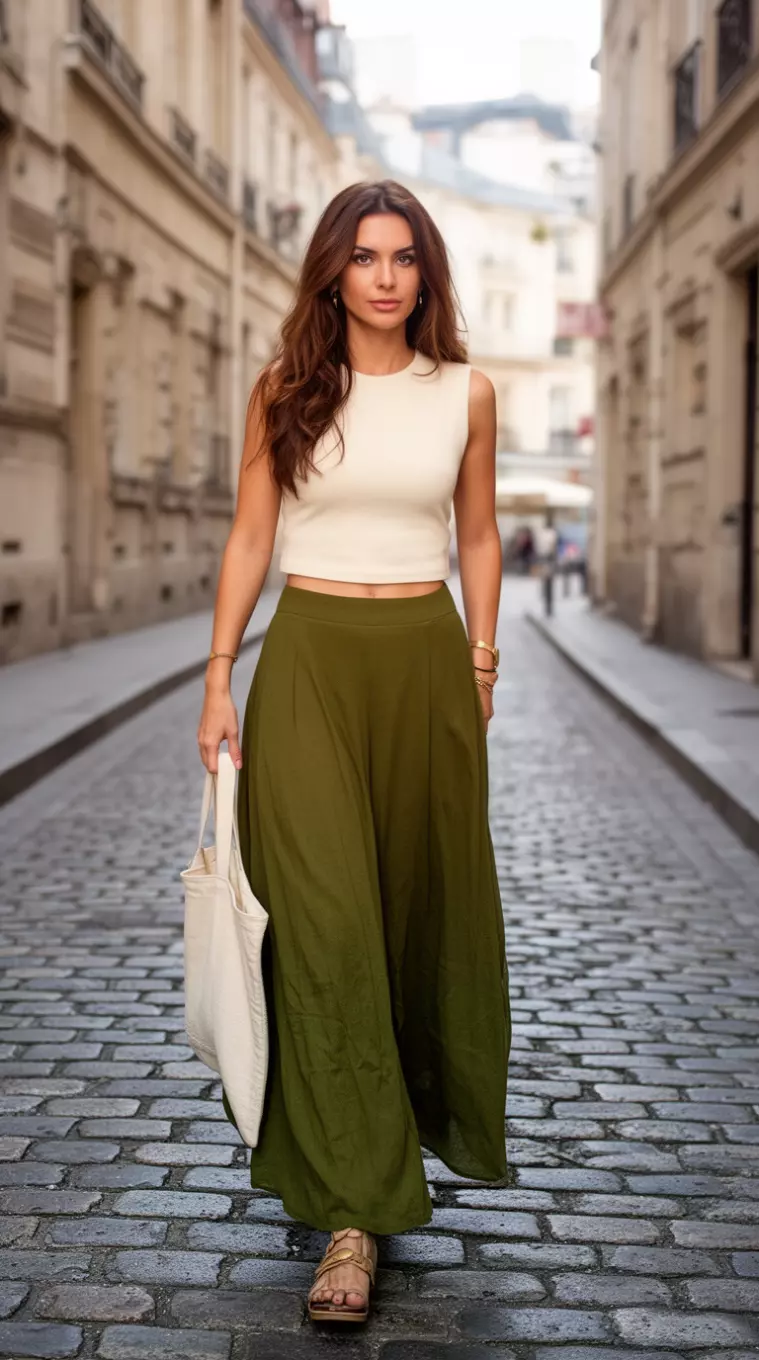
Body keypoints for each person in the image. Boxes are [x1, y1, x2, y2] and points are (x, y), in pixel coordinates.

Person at [196, 179, 511, 1326]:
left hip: (423, 664)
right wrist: (222, 673)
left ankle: (390, 1138)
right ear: (332, 270)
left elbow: (477, 532)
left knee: (411, 913)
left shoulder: (466, 394)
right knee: (327, 926)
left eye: (405, 256)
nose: (386, 275)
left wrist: (481, 660)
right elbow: (250, 534)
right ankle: (352, 1215)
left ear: (426, 272)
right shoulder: (285, 389)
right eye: (365, 256)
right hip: (313, 663)